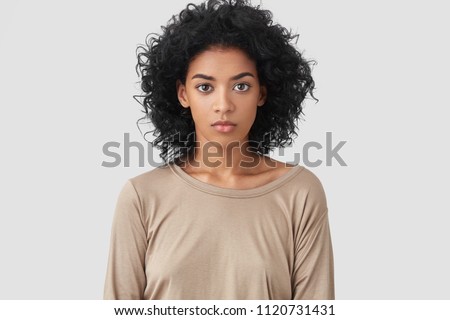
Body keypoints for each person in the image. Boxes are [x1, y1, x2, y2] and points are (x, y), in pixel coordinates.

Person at [103, 0, 334, 300]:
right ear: (182, 94)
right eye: (205, 87)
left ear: (262, 93)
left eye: (241, 86)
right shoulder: (142, 197)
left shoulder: (299, 194)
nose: (223, 105)